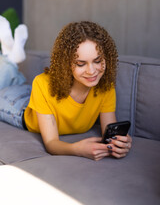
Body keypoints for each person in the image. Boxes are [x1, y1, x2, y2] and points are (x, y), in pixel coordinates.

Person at [0, 21, 132, 161]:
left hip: (35, 97)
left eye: (98, 61)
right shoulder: (42, 83)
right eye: (81, 64)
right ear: (66, 63)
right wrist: (77, 149)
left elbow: (110, 133)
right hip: (19, 107)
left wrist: (120, 143)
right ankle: (8, 60)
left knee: (17, 81)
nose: (92, 71)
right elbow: (51, 143)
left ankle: (11, 66)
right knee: (7, 82)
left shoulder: (105, 86)